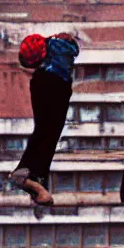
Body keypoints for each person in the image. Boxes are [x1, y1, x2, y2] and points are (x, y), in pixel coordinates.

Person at [9, 32, 79, 205]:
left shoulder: (48, 57)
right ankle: (33, 178)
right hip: (58, 87)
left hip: (45, 84)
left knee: (42, 131)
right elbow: (72, 47)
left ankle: (33, 177)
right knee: (50, 134)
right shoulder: (58, 45)